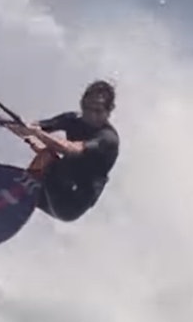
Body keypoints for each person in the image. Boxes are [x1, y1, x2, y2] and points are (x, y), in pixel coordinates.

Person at [8, 80, 120, 222]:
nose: (91, 115)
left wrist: (37, 134)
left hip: (71, 203)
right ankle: (6, 204)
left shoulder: (107, 138)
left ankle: (24, 187)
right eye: (87, 108)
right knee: (43, 153)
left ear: (108, 111)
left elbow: (71, 149)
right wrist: (12, 125)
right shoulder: (72, 119)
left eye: (97, 111)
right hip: (55, 187)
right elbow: (32, 128)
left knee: (47, 155)